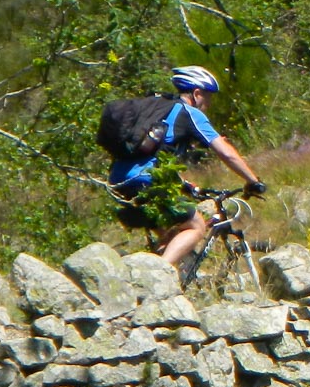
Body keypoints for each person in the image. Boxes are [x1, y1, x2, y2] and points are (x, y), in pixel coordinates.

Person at [109, 65, 266, 268]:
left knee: (170, 235)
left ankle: (154, 281)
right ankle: (155, 275)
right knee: (196, 227)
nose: (209, 103)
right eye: (208, 97)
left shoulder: (160, 110)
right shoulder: (189, 113)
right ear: (197, 93)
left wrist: (184, 185)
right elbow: (226, 152)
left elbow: (157, 157)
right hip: (147, 182)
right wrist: (253, 181)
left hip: (119, 181)